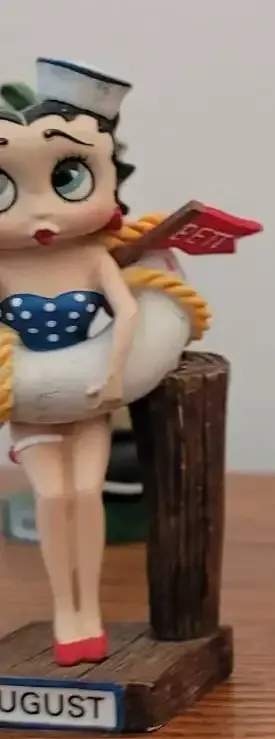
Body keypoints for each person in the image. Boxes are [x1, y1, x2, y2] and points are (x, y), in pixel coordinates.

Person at [0, 59, 199, 665]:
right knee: (53, 498)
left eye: (67, 177)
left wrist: (113, 374)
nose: (41, 212)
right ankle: (66, 609)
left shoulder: (92, 257)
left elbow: (129, 312)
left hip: (90, 399)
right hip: (32, 407)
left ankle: (90, 611)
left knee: (87, 493)